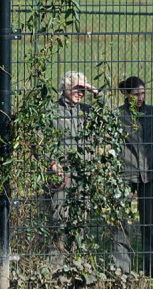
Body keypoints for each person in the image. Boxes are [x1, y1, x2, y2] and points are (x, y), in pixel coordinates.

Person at [43, 71, 107, 266]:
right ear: (64, 88)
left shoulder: (87, 111)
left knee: (81, 217)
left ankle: (76, 261)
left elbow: (111, 116)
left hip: (84, 174)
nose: (81, 93)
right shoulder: (52, 111)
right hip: (61, 174)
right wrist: (52, 162)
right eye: (77, 88)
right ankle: (55, 264)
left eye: (83, 89)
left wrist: (95, 92)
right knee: (58, 217)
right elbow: (40, 140)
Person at [112, 76, 153, 277]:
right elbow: (106, 135)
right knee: (121, 222)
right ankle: (122, 269)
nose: (140, 97)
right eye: (136, 94)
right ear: (126, 94)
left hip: (150, 174)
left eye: (142, 93)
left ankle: (151, 269)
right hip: (125, 174)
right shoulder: (118, 115)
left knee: (148, 223)